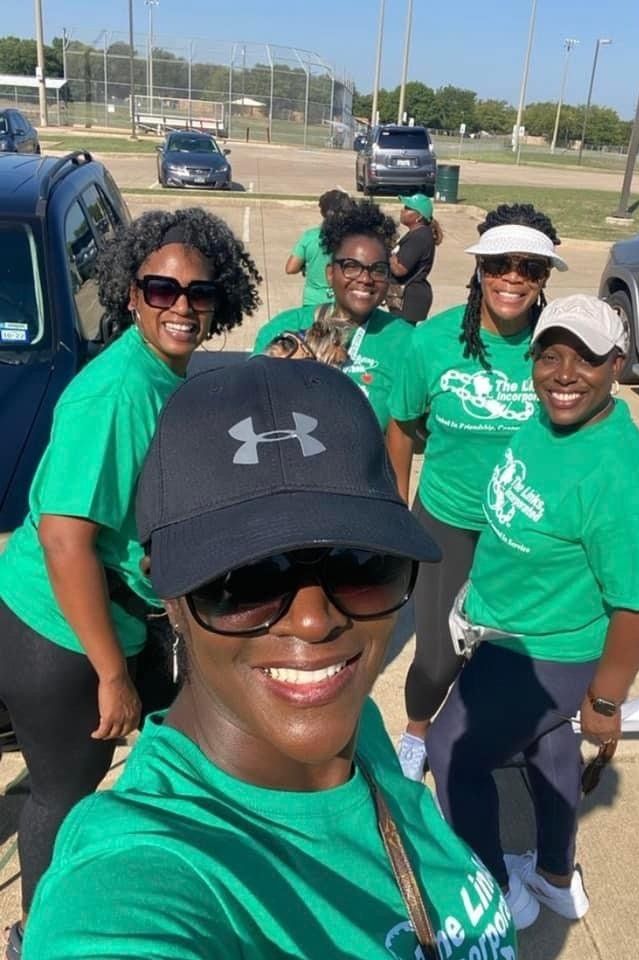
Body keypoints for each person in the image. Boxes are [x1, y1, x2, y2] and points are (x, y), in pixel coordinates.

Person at [22, 357, 518, 959]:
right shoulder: (137, 870)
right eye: (245, 578)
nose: (315, 620)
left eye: (361, 563)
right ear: (169, 596)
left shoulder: (347, 720)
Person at [0, 208, 261, 956]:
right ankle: (38, 937)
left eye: (200, 293)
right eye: (161, 289)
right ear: (130, 294)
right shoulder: (115, 393)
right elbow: (64, 538)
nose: (182, 306)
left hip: (112, 618)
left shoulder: (160, 373)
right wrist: (112, 674)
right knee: (62, 792)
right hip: (58, 630)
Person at [426, 294, 639, 930]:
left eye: (586, 359)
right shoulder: (546, 419)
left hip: (543, 648)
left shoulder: (625, 479)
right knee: (544, 746)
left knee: (454, 750)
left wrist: (607, 700)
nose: (564, 374)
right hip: (509, 624)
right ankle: (556, 876)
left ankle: (496, 891)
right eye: (549, 354)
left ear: (617, 364)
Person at [386, 204, 567, 780]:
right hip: (447, 518)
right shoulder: (433, 343)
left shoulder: (559, 350)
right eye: (500, 263)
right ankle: (417, 732)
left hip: (522, 533)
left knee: (502, 655)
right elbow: (403, 427)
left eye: (530, 267)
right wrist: (396, 512)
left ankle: (475, 731)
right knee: (439, 658)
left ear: (543, 277)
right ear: (480, 268)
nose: (513, 277)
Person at [255, 199, 414, 431]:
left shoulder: (406, 341)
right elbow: (251, 408)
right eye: (351, 266)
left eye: (378, 270)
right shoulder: (283, 328)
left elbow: (414, 437)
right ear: (330, 273)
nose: (365, 279)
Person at [284, 188, 352, 306]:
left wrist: (305, 266)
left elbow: (291, 268)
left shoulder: (310, 237)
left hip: (313, 301)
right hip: (343, 301)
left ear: (323, 213)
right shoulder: (354, 240)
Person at [388, 193, 443, 324]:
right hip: (408, 297)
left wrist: (387, 251)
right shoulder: (418, 234)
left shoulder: (419, 237)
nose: (403, 210)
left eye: (407, 208)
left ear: (418, 216)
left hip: (410, 299)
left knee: (402, 337)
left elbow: (399, 269)